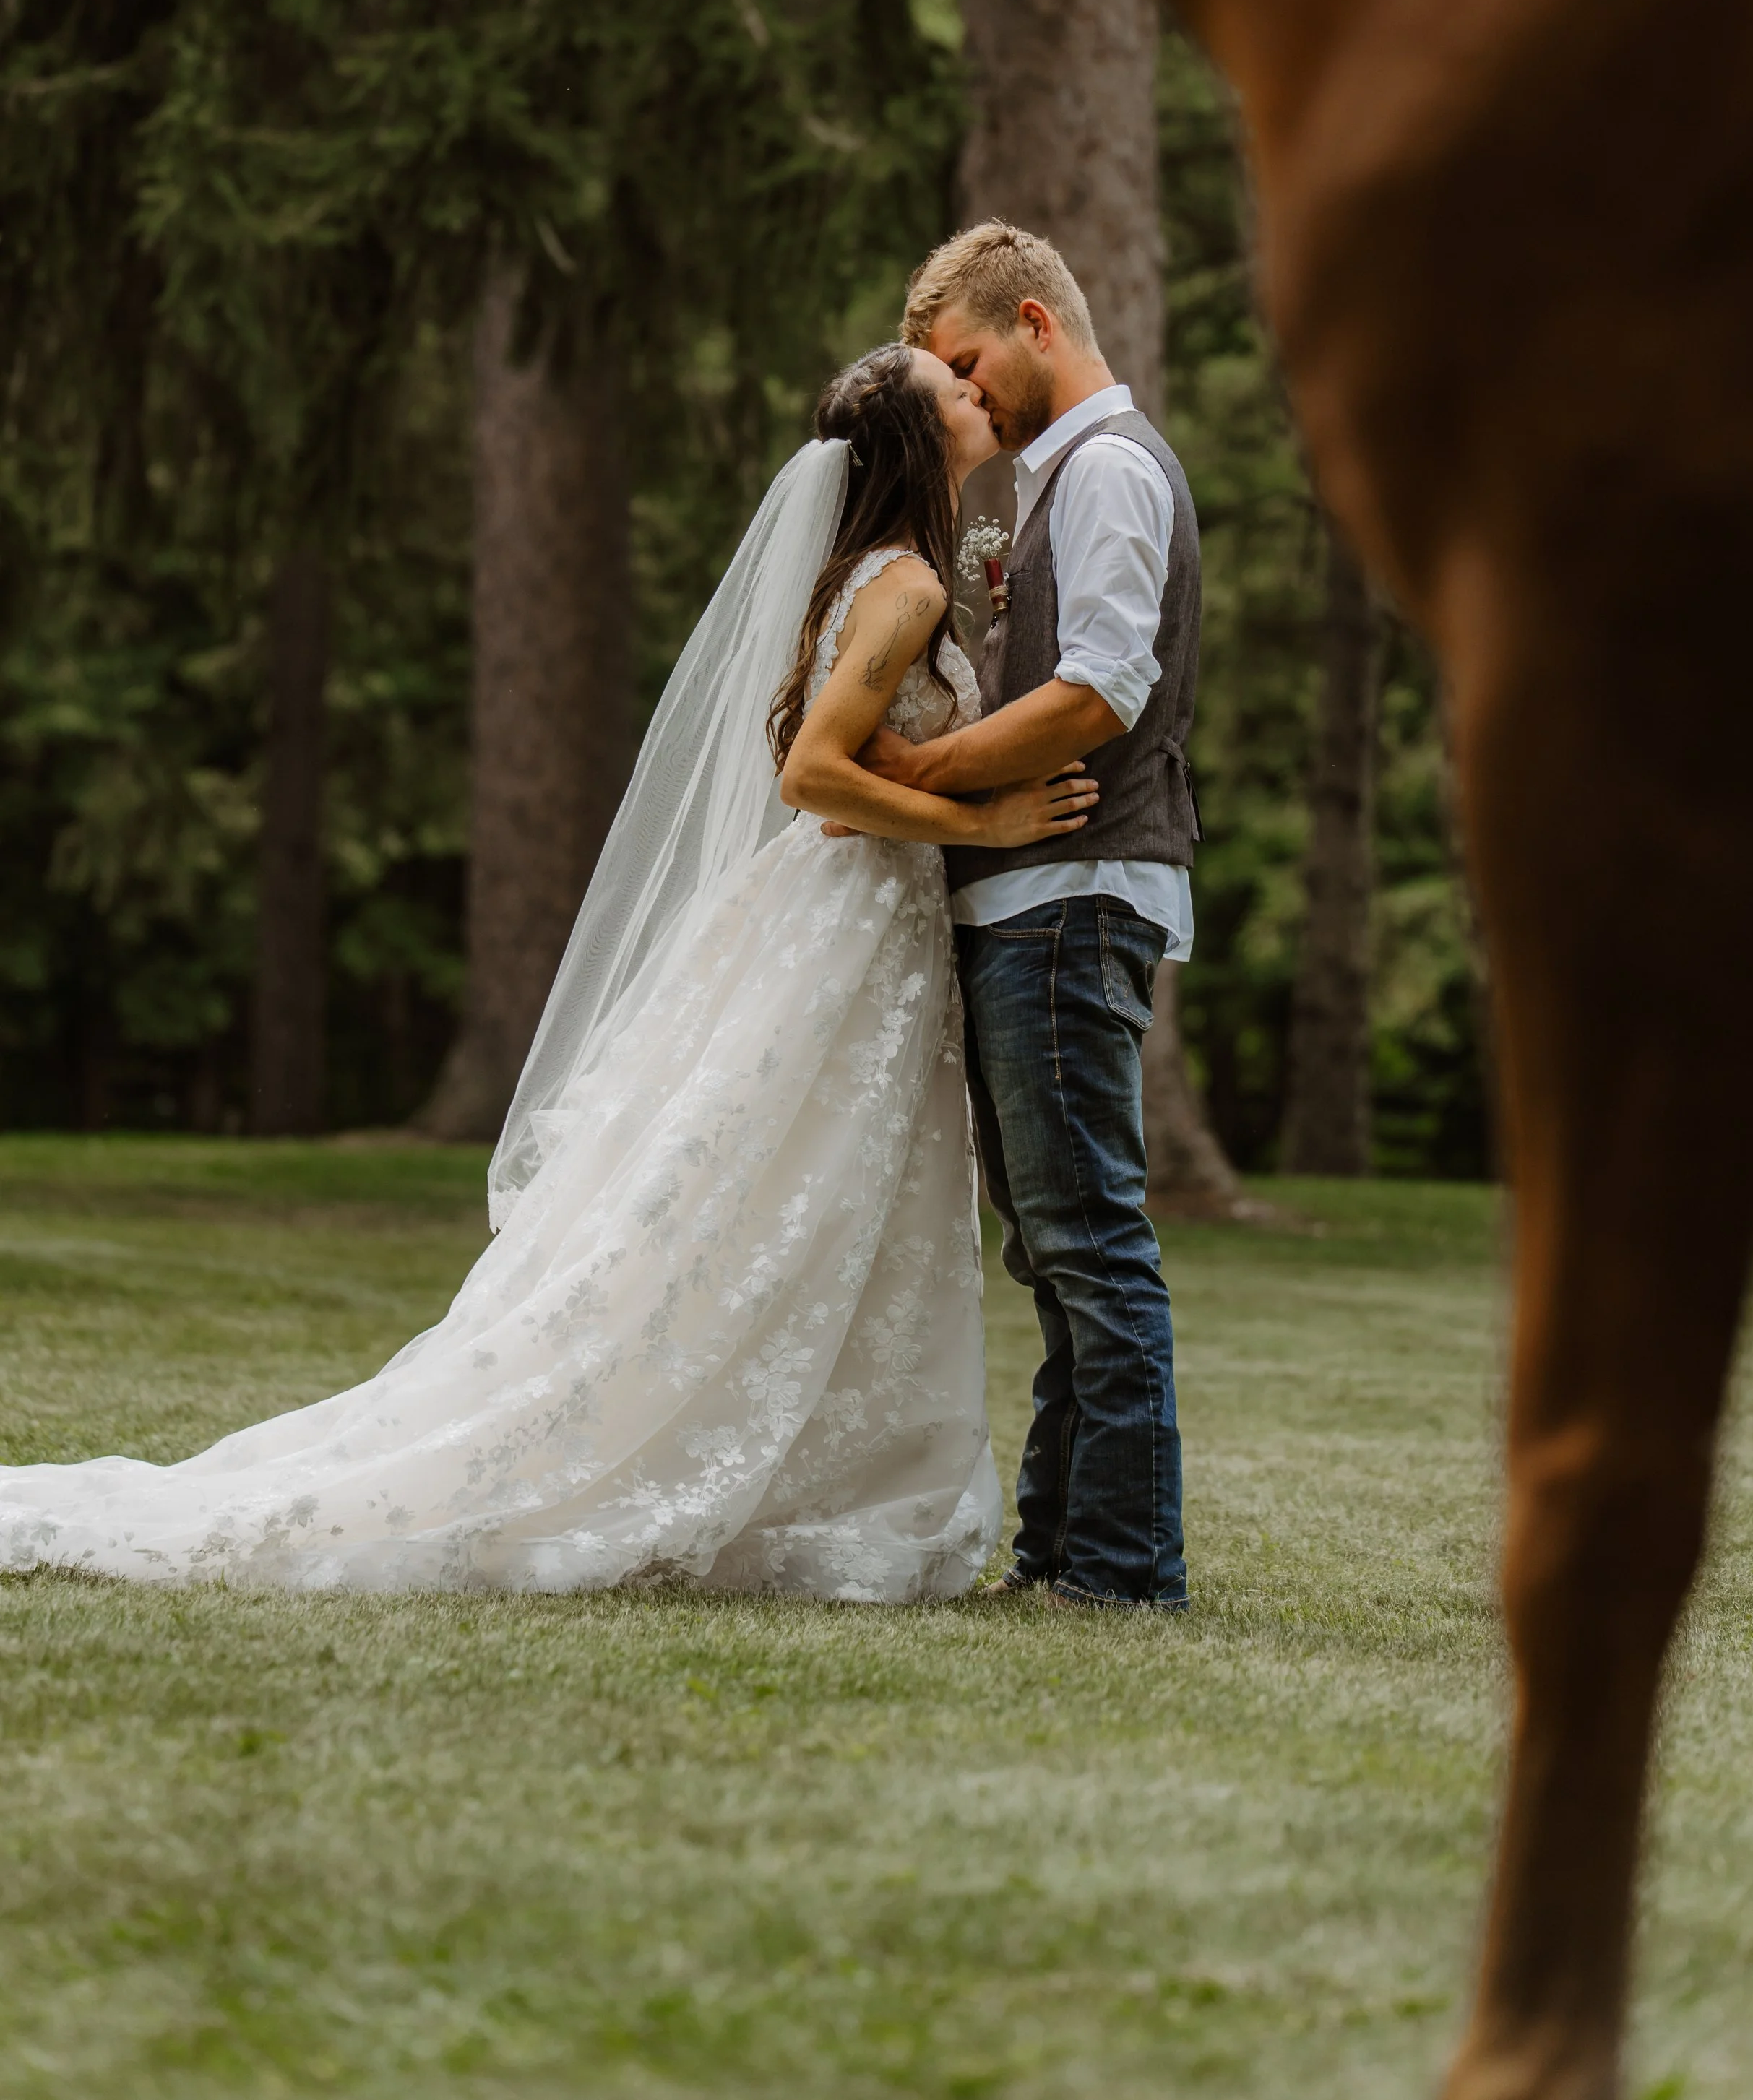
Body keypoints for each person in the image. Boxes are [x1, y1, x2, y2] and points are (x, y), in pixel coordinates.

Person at [0, 345, 1096, 1600]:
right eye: (951, 385)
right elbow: (808, 775)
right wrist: (987, 826)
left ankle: (817, 1465)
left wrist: (915, 781)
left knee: (820, 1199)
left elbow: (816, 742)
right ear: (917, 435)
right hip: (849, 932)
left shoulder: (875, 576)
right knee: (782, 1193)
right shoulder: (898, 586)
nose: (975, 389)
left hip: (851, 925)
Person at [881, 221, 1200, 1612]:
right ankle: (1059, 1556)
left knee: (1090, 1247)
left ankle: (1123, 1575)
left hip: (1072, 895)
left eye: (965, 362)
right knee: (1056, 1253)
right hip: (1032, 901)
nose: (966, 396)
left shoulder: (1110, 470)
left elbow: (1103, 687)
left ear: (1033, 320)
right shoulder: (1057, 476)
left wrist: (926, 777)